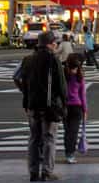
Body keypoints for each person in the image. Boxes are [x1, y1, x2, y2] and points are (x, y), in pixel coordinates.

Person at [18, 31, 67, 181]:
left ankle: (33, 171)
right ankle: (47, 171)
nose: (56, 45)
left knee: (34, 138)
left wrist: (26, 98)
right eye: (55, 43)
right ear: (50, 44)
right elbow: (61, 85)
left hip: (32, 105)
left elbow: (20, 80)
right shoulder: (53, 60)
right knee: (49, 138)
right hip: (49, 106)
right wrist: (64, 104)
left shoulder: (27, 60)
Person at [62, 54, 87, 164]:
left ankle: (69, 153)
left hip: (66, 107)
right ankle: (70, 154)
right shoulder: (79, 76)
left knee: (68, 132)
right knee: (72, 132)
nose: (75, 70)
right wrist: (85, 110)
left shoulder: (62, 76)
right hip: (76, 106)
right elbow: (82, 94)